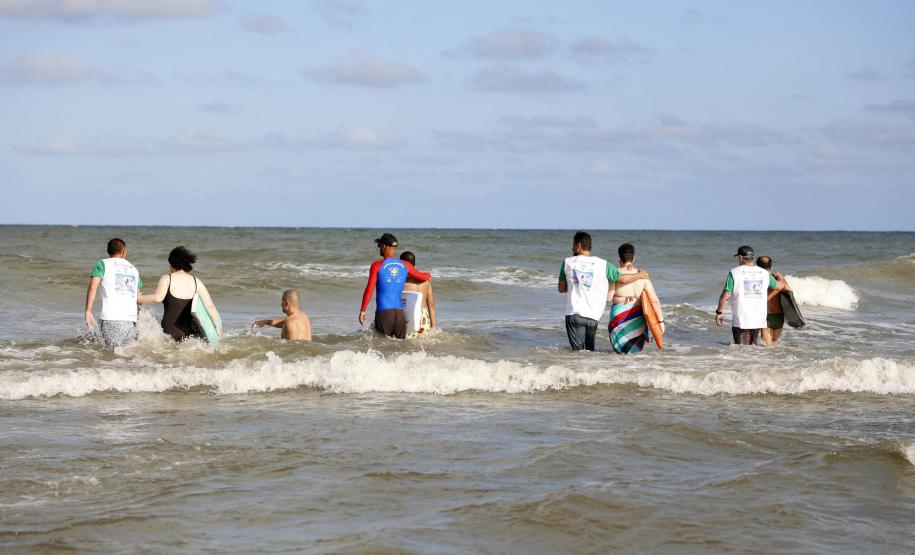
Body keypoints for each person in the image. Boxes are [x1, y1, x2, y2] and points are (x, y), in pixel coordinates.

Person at [558, 231, 648, 351]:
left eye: (573, 245)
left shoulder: (567, 262)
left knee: (578, 353)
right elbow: (622, 279)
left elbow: (561, 288)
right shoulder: (604, 264)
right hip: (593, 316)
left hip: (574, 314)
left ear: (578, 246)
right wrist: (640, 275)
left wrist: (575, 282)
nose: (572, 248)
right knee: (589, 352)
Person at [138, 246, 222, 341]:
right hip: (190, 333)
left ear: (172, 263)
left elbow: (157, 298)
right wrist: (217, 327)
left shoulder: (167, 278)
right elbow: (210, 306)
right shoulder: (196, 282)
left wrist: (137, 298)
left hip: (169, 331)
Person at [359, 233, 431, 339]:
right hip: (400, 315)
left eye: (379, 246)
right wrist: (429, 275)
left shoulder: (376, 266)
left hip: (384, 313)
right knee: (400, 346)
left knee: (383, 345)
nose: (379, 248)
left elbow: (369, 290)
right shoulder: (405, 265)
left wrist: (363, 310)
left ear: (384, 246)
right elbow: (423, 276)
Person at [715, 246, 785, 345]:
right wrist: (780, 278)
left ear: (740, 257)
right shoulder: (765, 273)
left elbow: (726, 294)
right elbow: (779, 287)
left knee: (741, 349)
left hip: (741, 319)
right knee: (752, 347)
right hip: (758, 319)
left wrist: (719, 312)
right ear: (753, 257)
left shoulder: (734, 273)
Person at [84, 238, 143, 348]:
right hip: (131, 320)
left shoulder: (102, 264)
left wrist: (88, 311)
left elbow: (93, 286)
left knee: (110, 354)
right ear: (123, 252)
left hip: (111, 318)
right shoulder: (134, 269)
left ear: (108, 251)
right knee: (126, 353)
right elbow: (138, 297)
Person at [607, 243, 664, 354]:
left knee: (620, 354)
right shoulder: (643, 275)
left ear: (619, 260)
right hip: (637, 316)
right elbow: (654, 300)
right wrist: (660, 321)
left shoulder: (615, 274)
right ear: (633, 259)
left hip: (618, 316)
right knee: (634, 354)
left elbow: (609, 298)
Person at [400, 251, 436, 338]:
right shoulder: (426, 280)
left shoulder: (401, 280)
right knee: (422, 344)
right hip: (423, 317)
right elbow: (431, 305)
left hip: (409, 315)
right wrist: (433, 326)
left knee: (406, 344)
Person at [756, 255, 790, 346]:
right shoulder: (779, 280)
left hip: (766, 316)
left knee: (767, 347)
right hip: (779, 317)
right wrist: (782, 279)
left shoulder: (758, 279)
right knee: (774, 346)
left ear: (757, 266)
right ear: (770, 266)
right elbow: (789, 293)